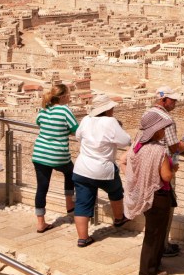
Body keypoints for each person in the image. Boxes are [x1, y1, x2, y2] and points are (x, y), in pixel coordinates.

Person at [71, 94, 131, 247]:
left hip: (82, 168)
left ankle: (83, 238)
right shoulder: (110, 122)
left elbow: (78, 136)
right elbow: (125, 141)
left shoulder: (86, 120)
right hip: (103, 169)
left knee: (82, 203)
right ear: (107, 109)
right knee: (116, 190)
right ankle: (119, 218)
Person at [124, 109, 175, 275]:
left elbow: (125, 163)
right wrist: (173, 168)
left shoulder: (137, 146)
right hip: (158, 195)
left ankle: (154, 263)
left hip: (144, 193)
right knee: (155, 233)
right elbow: (166, 176)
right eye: (161, 129)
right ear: (154, 131)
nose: (163, 132)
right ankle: (148, 270)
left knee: (153, 231)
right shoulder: (158, 150)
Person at [148, 86, 184, 259]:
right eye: (173, 100)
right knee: (165, 207)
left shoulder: (147, 115)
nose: (175, 103)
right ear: (163, 100)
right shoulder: (167, 119)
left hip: (148, 165)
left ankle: (154, 243)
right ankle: (162, 246)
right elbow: (173, 147)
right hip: (165, 167)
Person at [31, 83, 77, 233]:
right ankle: (70, 203)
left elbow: (39, 123)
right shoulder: (64, 110)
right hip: (58, 154)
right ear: (63, 97)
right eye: (68, 95)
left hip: (39, 153)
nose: (69, 98)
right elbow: (76, 129)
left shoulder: (44, 109)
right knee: (71, 172)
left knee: (42, 188)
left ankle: (40, 223)